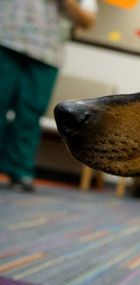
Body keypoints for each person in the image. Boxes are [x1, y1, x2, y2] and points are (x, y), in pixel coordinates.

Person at [0, 0, 97, 192]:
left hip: (47, 53)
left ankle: (20, 171)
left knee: (30, 114)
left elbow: (88, 20)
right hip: (6, 39)